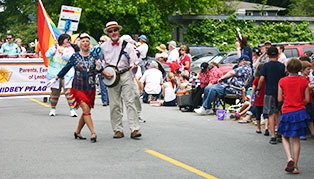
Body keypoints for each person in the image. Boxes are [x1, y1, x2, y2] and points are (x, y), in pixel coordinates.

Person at [47, 33, 101, 143]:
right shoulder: (75, 56)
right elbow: (66, 68)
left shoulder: (94, 56)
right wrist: (56, 78)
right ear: (79, 44)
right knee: (85, 109)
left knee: (86, 111)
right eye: (83, 41)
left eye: (87, 41)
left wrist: (101, 69)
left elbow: (98, 70)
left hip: (90, 87)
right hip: (78, 87)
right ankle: (93, 133)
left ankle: (77, 132)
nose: (85, 43)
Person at [100, 21, 142, 139]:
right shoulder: (103, 47)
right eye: (110, 31)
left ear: (119, 31)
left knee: (130, 101)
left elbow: (134, 61)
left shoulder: (127, 45)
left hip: (125, 74)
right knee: (114, 104)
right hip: (111, 77)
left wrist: (134, 66)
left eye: (115, 30)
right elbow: (98, 62)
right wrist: (103, 72)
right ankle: (117, 129)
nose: (113, 33)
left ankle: (134, 129)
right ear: (108, 33)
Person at [277, 58, 310, 174]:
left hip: (287, 111)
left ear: (287, 68)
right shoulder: (304, 81)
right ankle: (295, 166)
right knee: (296, 139)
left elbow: (279, 98)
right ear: (300, 69)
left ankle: (289, 158)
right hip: (300, 112)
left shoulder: (282, 81)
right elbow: (307, 99)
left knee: (285, 136)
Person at [256, 46, 286, 144]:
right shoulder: (282, 66)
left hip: (269, 92)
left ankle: (273, 136)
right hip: (280, 92)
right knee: (278, 113)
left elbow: (261, 79)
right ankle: (279, 133)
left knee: (270, 114)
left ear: (268, 55)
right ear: (278, 55)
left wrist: (258, 89)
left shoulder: (265, 66)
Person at [46, 33, 77, 117]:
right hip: (54, 74)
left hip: (67, 73)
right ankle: (53, 109)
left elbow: (71, 58)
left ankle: (72, 110)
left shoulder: (71, 49)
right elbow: (47, 55)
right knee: (55, 92)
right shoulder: (55, 47)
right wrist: (55, 48)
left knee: (69, 92)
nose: (69, 41)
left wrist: (63, 52)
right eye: (67, 39)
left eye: (69, 39)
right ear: (62, 40)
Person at [299, 61, 314, 140]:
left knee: (310, 117)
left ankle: (312, 132)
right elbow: (307, 87)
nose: (309, 71)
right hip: (303, 100)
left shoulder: (308, 78)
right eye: (308, 69)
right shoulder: (301, 78)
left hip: (309, 99)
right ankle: (302, 133)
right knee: (303, 117)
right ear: (302, 70)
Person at [95, 35, 110, 106]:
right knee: (102, 85)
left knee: (109, 85)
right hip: (101, 68)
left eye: (102, 41)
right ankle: (105, 100)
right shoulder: (98, 49)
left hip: (109, 68)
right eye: (100, 41)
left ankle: (109, 100)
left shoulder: (109, 49)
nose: (101, 42)